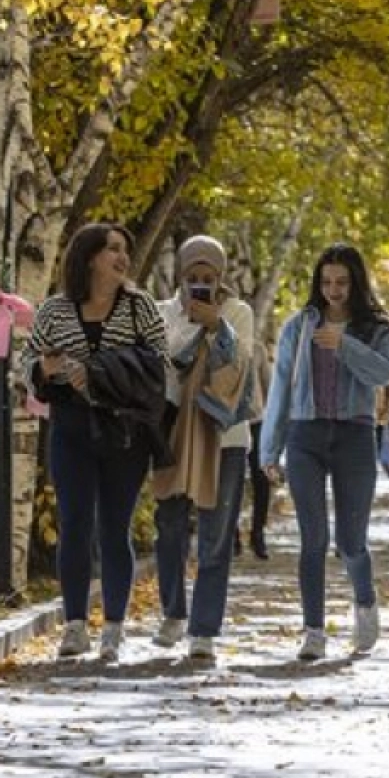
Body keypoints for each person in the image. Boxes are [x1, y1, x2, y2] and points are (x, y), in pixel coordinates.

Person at [21, 223, 168, 662]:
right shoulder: (54, 310)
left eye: (125, 250)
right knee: (75, 524)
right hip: (71, 428)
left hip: (125, 430)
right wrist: (43, 371)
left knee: (114, 528)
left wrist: (101, 371)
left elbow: (159, 364)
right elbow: (25, 363)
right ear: (89, 258)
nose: (123, 258)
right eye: (113, 250)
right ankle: (75, 625)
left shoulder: (140, 306)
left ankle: (114, 629)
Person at [259, 243, 389, 661]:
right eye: (326, 282)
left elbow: (384, 372)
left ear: (356, 283)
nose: (334, 290)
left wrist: (344, 344)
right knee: (313, 539)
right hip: (305, 436)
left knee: (350, 541)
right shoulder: (299, 326)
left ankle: (365, 602)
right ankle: (314, 632)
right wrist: (269, 449)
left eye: (342, 282)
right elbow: (280, 388)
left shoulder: (375, 328)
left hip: (355, 435)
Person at [151, 236, 255, 664]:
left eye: (208, 276)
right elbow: (163, 369)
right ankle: (173, 612)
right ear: (180, 274)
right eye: (192, 275)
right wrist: (193, 325)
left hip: (225, 437)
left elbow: (241, 365)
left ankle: (204, 630)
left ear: (221, 276)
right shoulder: (162, 313)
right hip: (175, 433)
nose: (200, 283)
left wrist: (217, 326)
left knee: (216, 535)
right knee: (169, 525)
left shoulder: (238, 312)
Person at [239, 346, 274, 560]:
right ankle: (232, 534)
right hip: (229, 421)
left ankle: (257, 533)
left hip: (256, 422)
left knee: (261, 478)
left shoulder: (257, 348)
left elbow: (269, 387)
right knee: (232, 479)